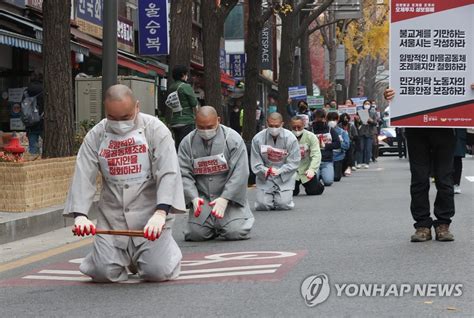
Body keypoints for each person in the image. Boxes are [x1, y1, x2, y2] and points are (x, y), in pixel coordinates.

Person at [64, 84, 186, 282]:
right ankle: (106, 257)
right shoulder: (96, 135)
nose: (120, 123)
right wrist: (80, 215)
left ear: (137, 107)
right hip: (112, 216)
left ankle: (162, 253)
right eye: (113, 118)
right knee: (104, 273)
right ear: (106, 111)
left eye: (125, 117)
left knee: (157, 272)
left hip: (150, 215)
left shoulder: (155, 129)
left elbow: (168, 172)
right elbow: (83, 174)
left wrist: (161, 212)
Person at [385, 88, 456, 242]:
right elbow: (400, 84)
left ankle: (443, 224)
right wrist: (391, 96)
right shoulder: (407, 65)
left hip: (445, 127)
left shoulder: (458, 66)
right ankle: (422, 225)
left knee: (444, 178)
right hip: (415, 127)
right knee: (419, 178)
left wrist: (469, 90)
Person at [178, 106, 254, 241]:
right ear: (195, 123)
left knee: (234, 232)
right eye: (201, 127)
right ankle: (213, 226)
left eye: (210, 127)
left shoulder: (233, 139)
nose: (205, 131)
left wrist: (225, 198)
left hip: (229, 199)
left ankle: (232, 219)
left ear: (218, 120)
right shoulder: (187, 143)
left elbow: (240, 172)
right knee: (196, 235)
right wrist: (193, 197)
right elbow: (183, 173)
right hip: (203, 198)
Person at [251, 112, 300, 210]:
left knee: (283, 205)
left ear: (282, 124)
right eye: (271, 125)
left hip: (284, 175)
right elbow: (255, 162)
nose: (274, 128)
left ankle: (281, 197)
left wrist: (280, 171)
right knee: (262, 205)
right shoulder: (257, 139)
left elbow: (294, 162)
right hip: (265, 175)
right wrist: (265, 170)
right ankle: (268, 198)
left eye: (277, 126)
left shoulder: (291, 138)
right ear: (266, 123)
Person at [291, 116, 324, 196]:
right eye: (294, 127)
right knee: (291, 192)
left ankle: (318, 182)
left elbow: (316, 154)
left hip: (306, 170)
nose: (296, 130)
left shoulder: (311, 137)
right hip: (292, 171)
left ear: (303, 125)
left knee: (314, 191)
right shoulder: (287, 137)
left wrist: (312, 169)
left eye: (299, 127)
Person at [167, 65, 198, 149]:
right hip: (186, 120)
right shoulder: (185, 86)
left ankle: (177, 161)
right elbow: (193, 102)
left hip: (175, 121)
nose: (187, 76)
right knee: (187, 146)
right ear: (183, 75)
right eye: (186, 74)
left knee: (178, 145)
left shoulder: (171, 87)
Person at [312, 109, 341, 186]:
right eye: (317, 118)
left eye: (321, 118)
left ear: (325, 118)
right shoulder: (310, 130)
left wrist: (326, 146)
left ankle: (324, 174)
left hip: (327, 161)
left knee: (328, 181)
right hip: (313, 161)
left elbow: (337, 144)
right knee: (314, 182)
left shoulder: (330, 129)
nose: (319, 120)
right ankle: (319, 175)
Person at [24, 72, 44, 155]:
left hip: (30, 123)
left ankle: (33, 165)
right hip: (43, 121)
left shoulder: (26, 91)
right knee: (49, 146)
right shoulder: (44, 90)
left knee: (33, 148)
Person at [327, 112, 350, 182]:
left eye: (334, 119)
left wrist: (338, 142)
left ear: (338, 120)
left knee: (336, 178)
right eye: (330, 119)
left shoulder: (342, 132)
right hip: (326, 158)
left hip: (338, 157)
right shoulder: (324, 131)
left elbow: (347, 145)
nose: (332, 121)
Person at [356, 100, 377, 169]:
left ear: (370, 105)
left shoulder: (373, 113)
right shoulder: (359, 112)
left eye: (368, 103)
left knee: (368, 148)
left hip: (370, 132)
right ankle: (359, 162)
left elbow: (376, 123)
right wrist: (358, 120)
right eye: (365, 103)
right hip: (361, 132)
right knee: (360, 148)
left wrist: (371, 121)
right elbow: (356, 123)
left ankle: (366, 162)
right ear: (363, 104)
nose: (367, 105)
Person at [453, 129, 467, 194]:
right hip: (445, 128)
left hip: (459, 128)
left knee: (457, 157)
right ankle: (446, 182)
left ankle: (456, 183)